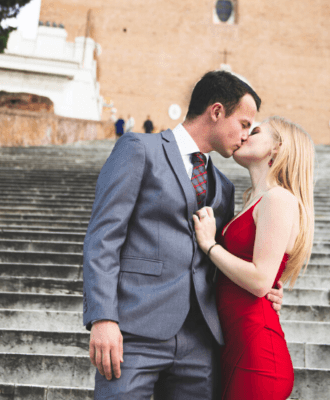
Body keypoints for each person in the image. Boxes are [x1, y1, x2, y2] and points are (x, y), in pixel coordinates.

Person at [82, 70, 284, 400]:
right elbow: (103, 236)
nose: (246, 136)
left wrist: (264, 291)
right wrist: (103, 318)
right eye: (244, 124)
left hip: (200, 343)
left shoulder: (225, 187)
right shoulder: (139, 149)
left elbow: (222, 259)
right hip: (135, 331)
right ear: (217, 112)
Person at [193, 116, 315, 400]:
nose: (244, 135)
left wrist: (210, 245)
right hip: (238, 346)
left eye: (255, 131)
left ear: (277, 148)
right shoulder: (256, 200)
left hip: (257, 357)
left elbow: (260, 281)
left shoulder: (279, 199)